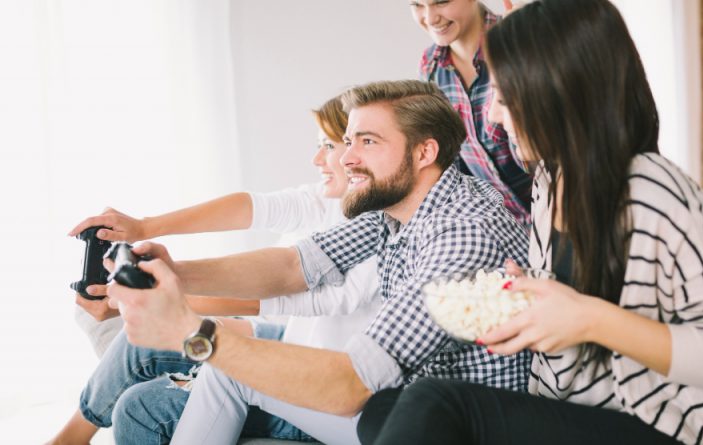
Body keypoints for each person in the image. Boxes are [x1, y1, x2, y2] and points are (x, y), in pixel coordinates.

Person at [357, 1, 703, 444]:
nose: (493, 114)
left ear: (556, 93)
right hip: (583, 409)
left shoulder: (658, 194)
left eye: (505, 96)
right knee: (386, 405)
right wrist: (527, 295)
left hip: (672, 427)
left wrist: (588, 318)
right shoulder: (548, 183)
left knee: (434, 404)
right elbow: (570, 313)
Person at [103, 80, 532, 445]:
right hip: (404, 406)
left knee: (224, 364)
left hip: (443, 429)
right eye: (348, 141)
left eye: (367, 141)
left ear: (424, 153)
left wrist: (190, 331)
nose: (346, 159)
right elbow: (294, 266)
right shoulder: (401, 209)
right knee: (226, 370)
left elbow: (351, 384)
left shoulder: (463, 235)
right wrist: (174, 274)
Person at [48, 95, 381, 445]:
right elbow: (251, 208)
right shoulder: (329, 200)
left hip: (320, 369)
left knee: (141, 404)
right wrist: (145, 229)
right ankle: (69, 437)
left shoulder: (375, 228)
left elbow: (278, 294)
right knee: (137, 348)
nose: (319, 159)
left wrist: (157, 305)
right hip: (297, 337)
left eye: (329, 145)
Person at [411, 0, 532, 226]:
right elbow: (453, 166)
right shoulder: (430, 67)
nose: (429, 18)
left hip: (557, 215)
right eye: (417, 5)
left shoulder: (519, 37)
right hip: (503, 231)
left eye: (441, 2)